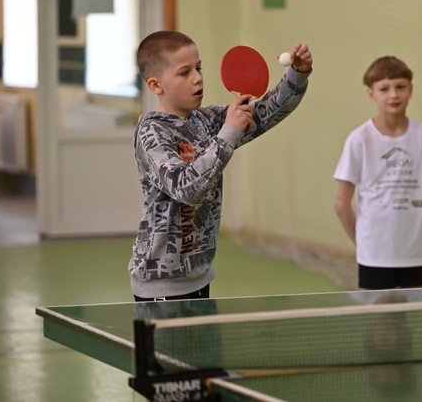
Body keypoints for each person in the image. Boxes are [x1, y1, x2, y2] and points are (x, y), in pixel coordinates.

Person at [129, 30, 313, 301]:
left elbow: (264, 114)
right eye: (184, 72)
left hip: (199, 276)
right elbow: (187, 189)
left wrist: (297, 75)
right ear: (156, 86)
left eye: (199, 68)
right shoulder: (152, 133)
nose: (198, 77)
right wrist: (228, 132)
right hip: (161, 285)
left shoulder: (205, 120)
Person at [334, 56, 422, 290]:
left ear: (411, 90)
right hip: (374, 254)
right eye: (384, 89)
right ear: (371, 94)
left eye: (400, 87)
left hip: (414, 252)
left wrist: (411, 230)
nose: (393, 95)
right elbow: (341, 204)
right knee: (382, 321)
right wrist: (363, 243)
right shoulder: (359, 139)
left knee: (411, 316)